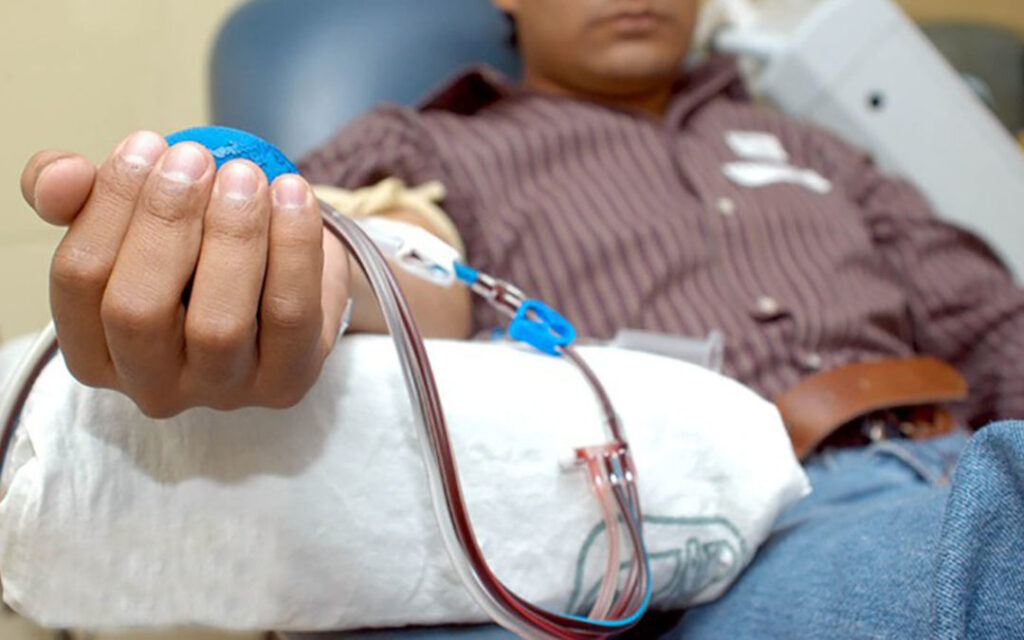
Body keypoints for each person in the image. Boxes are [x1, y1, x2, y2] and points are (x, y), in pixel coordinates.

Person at [17, 0, 1024, 637]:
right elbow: (402, 260)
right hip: (742, 537)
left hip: (971, 448)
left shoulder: (814, 142)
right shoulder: (438, 141)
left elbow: (989, 319)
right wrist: (282, 274)